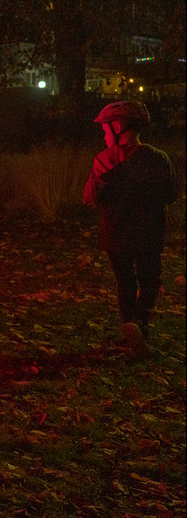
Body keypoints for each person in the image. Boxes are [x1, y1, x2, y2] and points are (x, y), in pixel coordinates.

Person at [82, 100, 177, 356]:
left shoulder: (103, 160)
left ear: (117, 127)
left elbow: (90, 199)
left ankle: (129, 332)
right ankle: (139, 325)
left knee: (124, 281)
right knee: (149, 279)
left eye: (105, 129)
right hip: (149, 231)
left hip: (115, 232)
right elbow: (170, 194)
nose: (103, 134)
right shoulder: (159, 158)